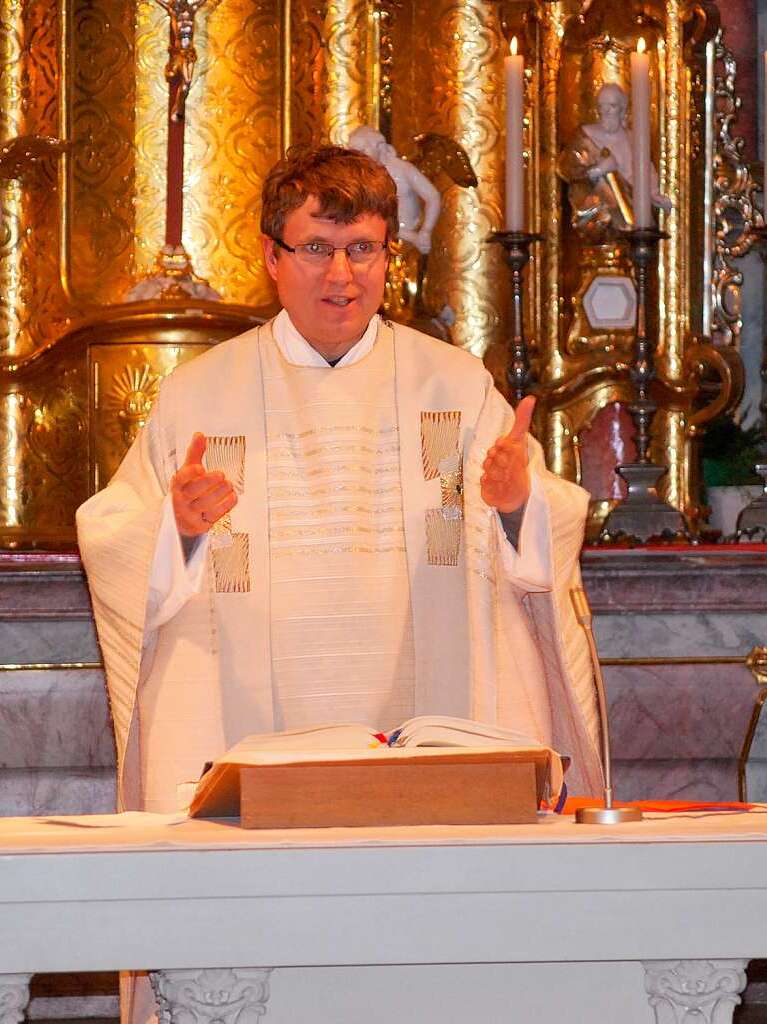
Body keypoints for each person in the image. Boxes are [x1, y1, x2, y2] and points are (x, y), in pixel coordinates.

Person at [77, 144, 602, 815]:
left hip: (431, 743)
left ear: (389, 256)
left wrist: (514, 506)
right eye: (317, 248)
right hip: (252, 744)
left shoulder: (454, 387)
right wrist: (177, 530)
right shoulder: (202, 396)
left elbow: (533, 563)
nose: (342, 274)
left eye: (363, 249)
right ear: (271, 256)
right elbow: (119, 541)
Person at [558, 82, 671, 240]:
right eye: (601, 106)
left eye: (611, 106)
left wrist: (654, 195)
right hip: (598, 212)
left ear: (623, 109)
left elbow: (646, 171)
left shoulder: (633, 138)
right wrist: (598, 170)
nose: (606, 112)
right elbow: (565, 168)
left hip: (632, 215)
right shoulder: (585, 137)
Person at [348, 126, 441, 254]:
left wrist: (426, 230)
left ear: (377, 146)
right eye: (354, 153)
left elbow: (433, 196)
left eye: (362, 150)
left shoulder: (403, 169)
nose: (359, 157)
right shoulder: (361, 176)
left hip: (410, 241)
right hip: (379, 241)